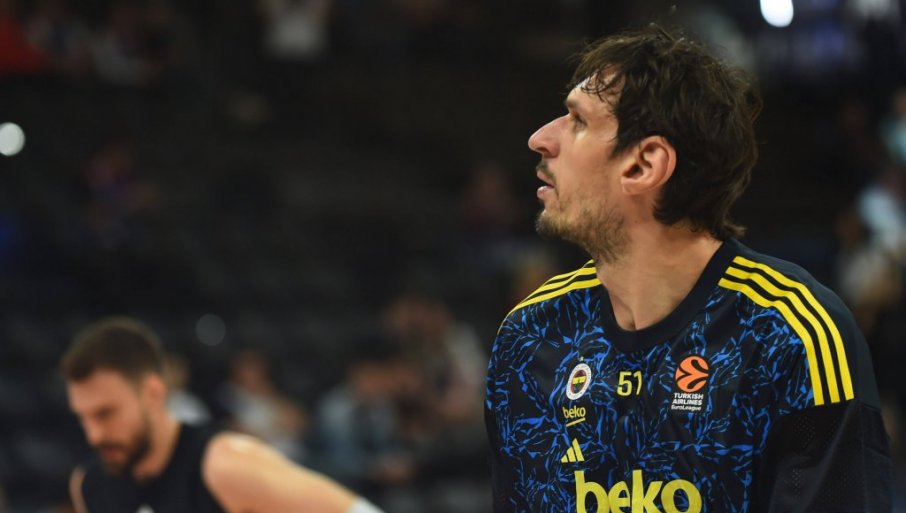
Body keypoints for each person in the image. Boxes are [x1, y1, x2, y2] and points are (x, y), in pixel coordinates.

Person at [484, 24, 892, 513]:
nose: (539, 139)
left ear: (644, 165)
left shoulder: (790, 338)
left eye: (577, 121)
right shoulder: (529, 337)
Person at [61, 316, 385, 513]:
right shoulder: (91, 484)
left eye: (106, 414)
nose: (94, 434)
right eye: (83, 417)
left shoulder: (224, 465)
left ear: (153, 394)